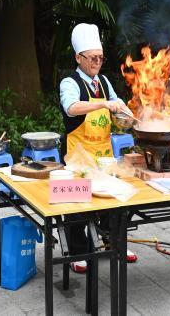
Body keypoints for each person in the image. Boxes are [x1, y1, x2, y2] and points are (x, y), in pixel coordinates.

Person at [59, 23, 136, 273]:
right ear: (78, 58)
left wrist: (127, 113)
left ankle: (113, 242)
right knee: (77, 207)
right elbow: (71, 107)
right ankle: (77, 253)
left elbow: (116, 105)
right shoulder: (69, 82)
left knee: (113, 201)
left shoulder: (103, 81)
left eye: (100, 58)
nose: (97, 63)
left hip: (103, 155)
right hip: (77, 157)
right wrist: (104, 104)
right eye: (92, 58)